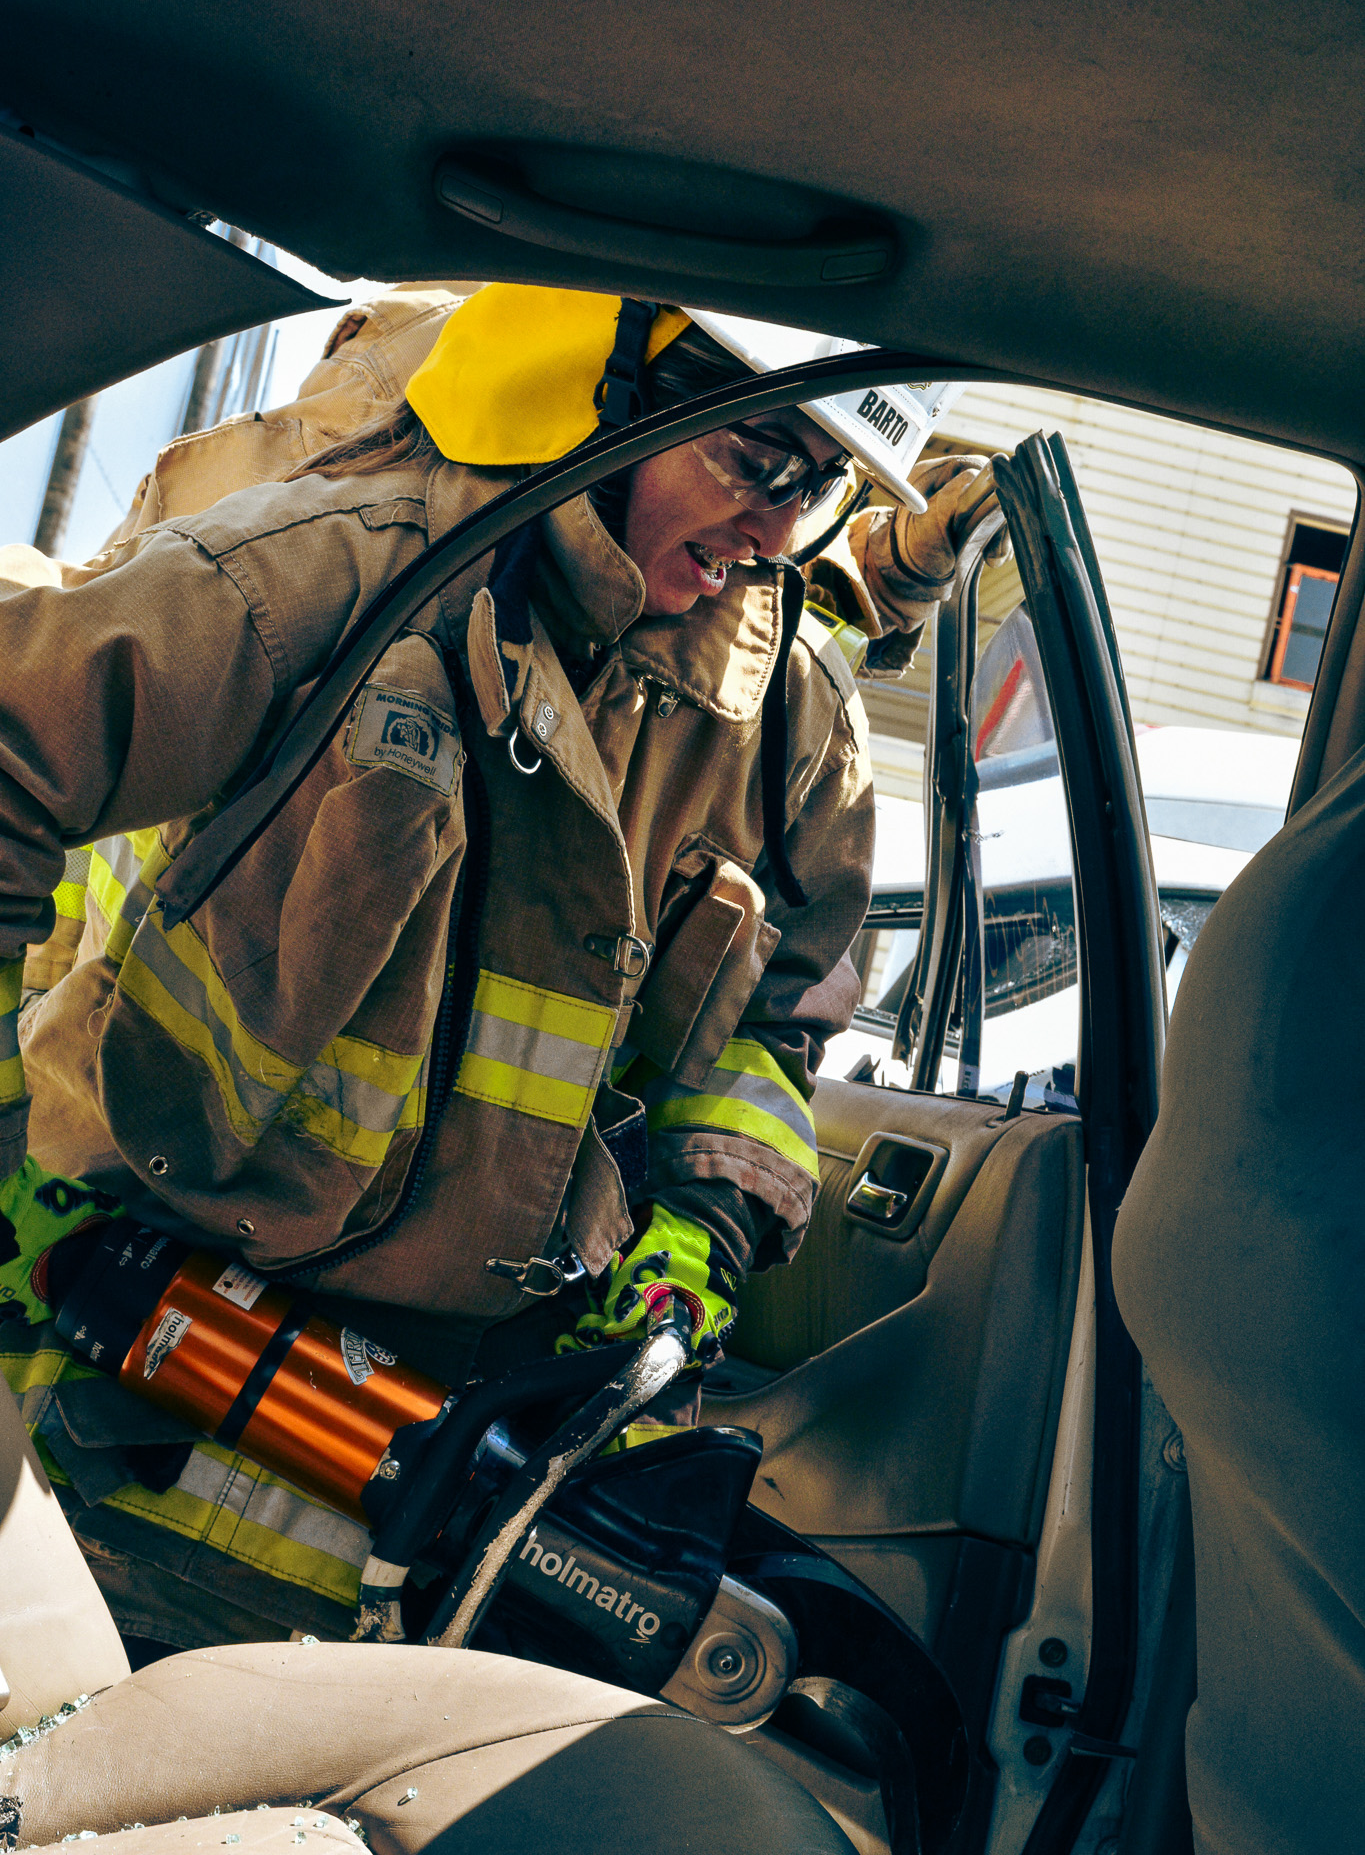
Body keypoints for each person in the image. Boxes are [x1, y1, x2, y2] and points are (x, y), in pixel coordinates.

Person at [0, 283, 998, 1650]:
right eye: (757, 461)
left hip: (426, 1457)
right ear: (613, 390)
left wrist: (703, 1222)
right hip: (111, 1344)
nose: (774, 532)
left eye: (816, 487)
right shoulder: (340, 571)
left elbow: (771, 1027)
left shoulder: (787, 730)